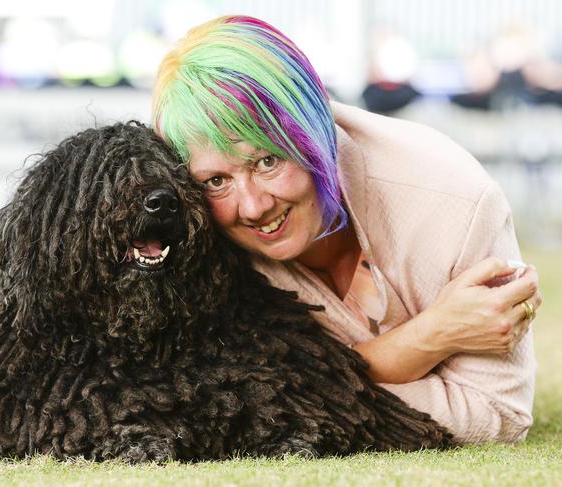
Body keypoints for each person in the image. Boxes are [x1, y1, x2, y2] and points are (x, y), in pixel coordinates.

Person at [151, 15, 541, 444]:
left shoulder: (454, 200)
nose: (253, 207)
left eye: (267, 161)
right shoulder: (200, 234)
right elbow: (227, 399)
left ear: (314, 130)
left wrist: (296, 386)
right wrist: (432, 335)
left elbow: (495, 416)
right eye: (216, 181)